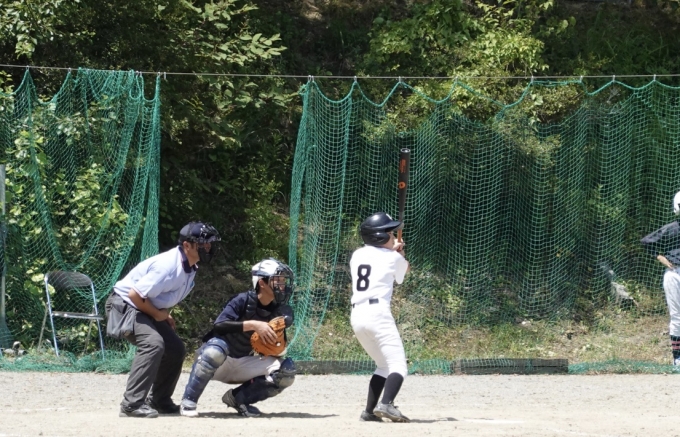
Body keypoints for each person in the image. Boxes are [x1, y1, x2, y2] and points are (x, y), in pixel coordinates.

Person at [106, 221, 221, 418]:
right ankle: (131, 404)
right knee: (153, 344)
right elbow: (134, 295)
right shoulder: (168, 266)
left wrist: (163, 314)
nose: (208, 247)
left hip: (142, 307)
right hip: (124, 305)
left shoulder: (190, 267)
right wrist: (158, 314)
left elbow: (159, 296)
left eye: (209, 243)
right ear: (187, 245)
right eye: (203, 244)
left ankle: (159, 400)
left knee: (175, 349)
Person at [179, 258, 296, 418]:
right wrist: (254, 325)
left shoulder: (277, 311)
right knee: (215, 352)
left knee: (286, 372)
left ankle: (238, 399)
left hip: (243, 363)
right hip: (217, 361)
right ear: (262, 283)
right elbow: (219, 325)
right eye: (278, 280)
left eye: (283, 280)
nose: (283, 285)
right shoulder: (242, 300)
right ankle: (188, 401)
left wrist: (275, 347)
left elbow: (279, 350)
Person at [350, 212, 411, 423]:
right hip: (378, 314)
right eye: (390, 233)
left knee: (383, 366)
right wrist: (400, 254)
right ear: (379, 236)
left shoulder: (357, 254)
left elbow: (381, 260)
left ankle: (369, 411)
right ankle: (386, 404)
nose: (393, 236)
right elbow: (403, 273)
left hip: (357, 316)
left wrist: (394, 252)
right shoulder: (393, 257)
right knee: (398, 365)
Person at [641, 191, 680, 366]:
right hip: (675, 273)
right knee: (677, 316)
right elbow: (647, 242)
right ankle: (677, 358)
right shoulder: (671, 228)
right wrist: (660, 257)